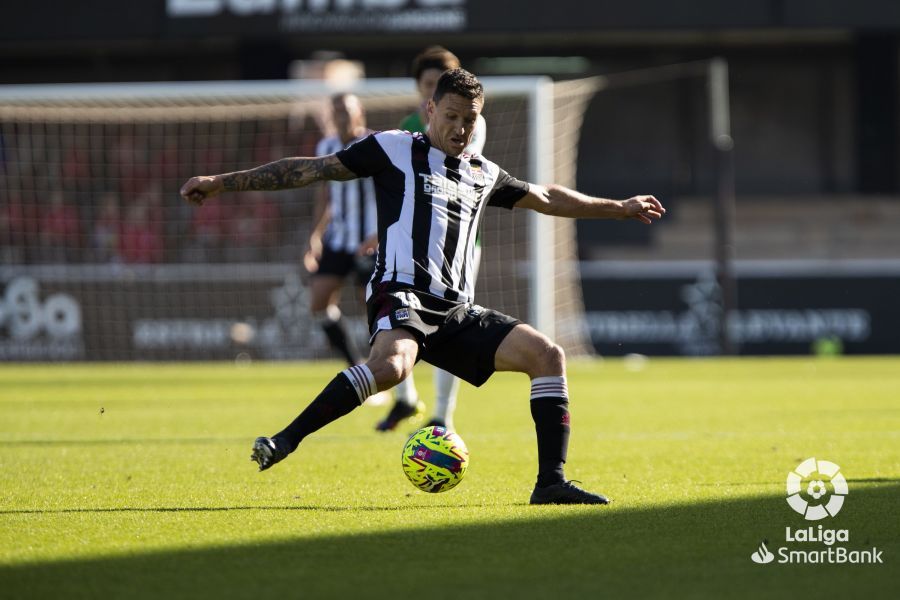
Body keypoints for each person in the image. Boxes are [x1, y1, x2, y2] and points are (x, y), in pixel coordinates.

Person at [181, 68, 665, 505]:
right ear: (430, 110)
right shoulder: (394, 148)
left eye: (470, 120)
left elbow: (546, 197)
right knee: (393, 366)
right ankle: (286, 439)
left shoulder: (482, 173)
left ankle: (551, 483)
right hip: (401, 293)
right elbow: (311, 169)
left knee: (548, 356)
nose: (461, 128)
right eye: (451, 116)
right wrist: (223, 182)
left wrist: (619, 208)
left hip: (456, 311)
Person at [377, 45, 486, 432]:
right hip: (412, 243)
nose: (432, 90)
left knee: (452, 323)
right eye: (428, 84)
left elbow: (454, 168)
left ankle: (443, 415)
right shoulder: (407, 124)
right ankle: (405, 398)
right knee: (396, 317)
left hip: (459, 244)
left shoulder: (472, 124)